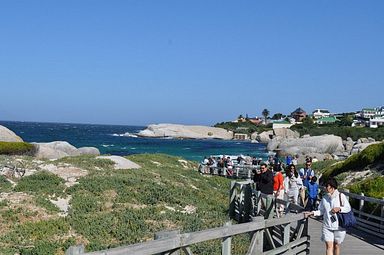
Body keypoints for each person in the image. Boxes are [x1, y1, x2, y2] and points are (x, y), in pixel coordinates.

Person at [304, 177, 351, 255]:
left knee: (336, 245)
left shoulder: (341, 196)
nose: (325, 188)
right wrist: (312, 213)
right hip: (327, 225)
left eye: (327, 186)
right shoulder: (325, 198)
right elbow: (321, 210)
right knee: (329, 246)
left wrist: (339, 209)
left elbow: (348, 208)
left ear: (332, 187)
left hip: (339, 226)